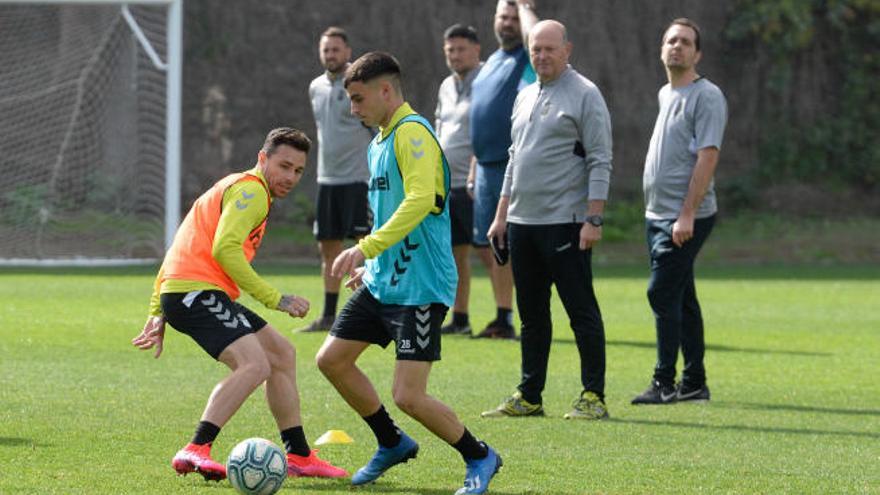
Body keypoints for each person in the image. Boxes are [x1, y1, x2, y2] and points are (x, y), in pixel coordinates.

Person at [315, 52, 502, 495]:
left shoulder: (413, 133)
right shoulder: (378, 141)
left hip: (420, 287)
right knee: (332, 360)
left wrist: (365, 249)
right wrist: (373, 262)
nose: (353, 109)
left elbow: (420, 201)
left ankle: (480, 456)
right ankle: (391, 440)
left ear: (386, 90)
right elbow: (385, 215)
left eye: (359, 99)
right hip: (384, 281)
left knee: (409, 396)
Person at [131, 128, 347, 481]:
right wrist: (276, 299)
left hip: (194, 292)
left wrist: (158, 310)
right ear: (263, 158)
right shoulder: (252, 191)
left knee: (281, 354)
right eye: (284, 166)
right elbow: (225, 249)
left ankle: (299, 455)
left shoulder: (237, 185)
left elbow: (178, 246)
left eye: (298, 171)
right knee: (254, 365)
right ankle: (196, 448)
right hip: (197, 293)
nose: (290, 177)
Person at [481, 20, 612, 420]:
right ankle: (530, 394)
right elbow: (514, 158)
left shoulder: (585, 94)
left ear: (567, 49)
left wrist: (594, 218)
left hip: (566, 222)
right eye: (535, 49)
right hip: (522, 223)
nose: (541, 55)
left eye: (549, 49)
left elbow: (600, 159)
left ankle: (593, 396)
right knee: (532, 315)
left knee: (580, 310)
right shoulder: (524, 95)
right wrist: (501, 216)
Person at [632, 18, 727, 405]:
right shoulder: (665, 93)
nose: (677, 47)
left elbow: (708, 157)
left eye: (686, 42)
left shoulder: (707, 96)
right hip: (657, 213)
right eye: (671, 40)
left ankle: (664, 382)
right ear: (661, 49)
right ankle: (694, 383)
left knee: (662, 292)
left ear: (697, 53)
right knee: (682, 296)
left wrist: (686, 214)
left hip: (685, 216)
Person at [467, 0, 539, 339]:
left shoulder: (525, 59)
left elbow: (536, 36)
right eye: (503, 17)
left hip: (513, 165)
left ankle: (521, 315)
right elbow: (480, 118)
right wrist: (472, 167)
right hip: (483, 166)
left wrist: (526, 8)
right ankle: (503, 315)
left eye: (514, 18)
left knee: (513, 244)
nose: (508, 23)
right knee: (489, 244)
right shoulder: (490, 63)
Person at [298, 26, 374, 333]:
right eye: (326, 49)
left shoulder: (359, 86)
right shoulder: (315, 87)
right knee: (327, 248)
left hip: (359, 180)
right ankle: (329, 315)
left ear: (348, 52)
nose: (330, 55)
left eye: (336, 49)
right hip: (326, 180)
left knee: (365, 246)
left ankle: (370, 312)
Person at [435, 24, 483, 336]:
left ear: (476, 50)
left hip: (477, 183)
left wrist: (479, 170)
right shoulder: (445, 86)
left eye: (461, 49)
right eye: (450, 49)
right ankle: (460, 319)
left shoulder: (488, 80)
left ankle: (505, 317)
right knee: (455, 255)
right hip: (447, 184)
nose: (455, 55)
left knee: (489, 253)